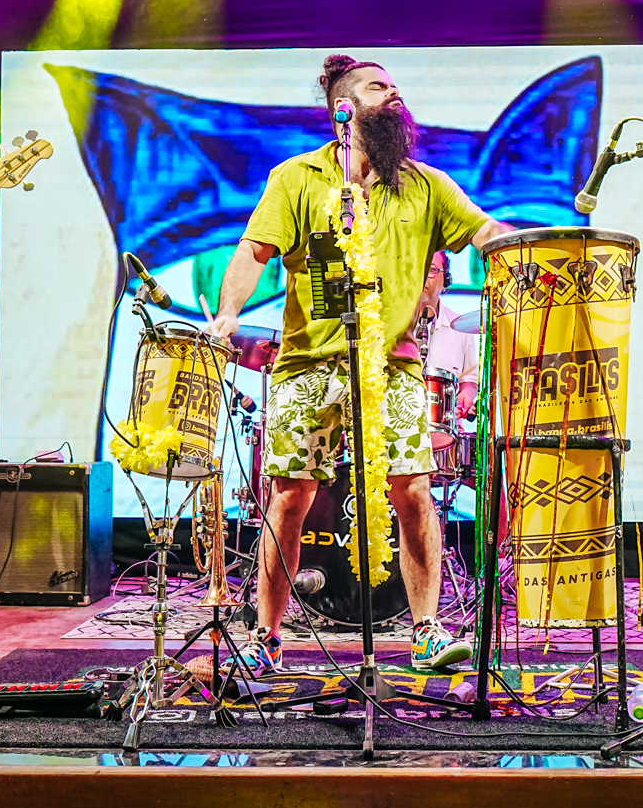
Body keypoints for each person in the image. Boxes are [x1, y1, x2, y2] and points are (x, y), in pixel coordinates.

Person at [208, 55, 511, 673]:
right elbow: (253, 251)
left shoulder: (426, 184)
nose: (395, 94)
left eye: (397, 86)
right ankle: (266, 635)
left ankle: (426, 631)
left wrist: (543, 251)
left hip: (393, 366)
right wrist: (228, 314)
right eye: (380, 87)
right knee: (289, 497)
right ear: (343, 109)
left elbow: (488, 235)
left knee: (414, 490)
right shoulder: (297, 177)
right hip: (308, 364)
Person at [412, 250, 479, 420]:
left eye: (431, 270)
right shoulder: (394, 324)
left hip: (444, 426)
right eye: (418, 268)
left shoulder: (461, 326)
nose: (423, 276)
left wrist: (466, 396)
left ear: (445, 281)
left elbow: (469, 381)